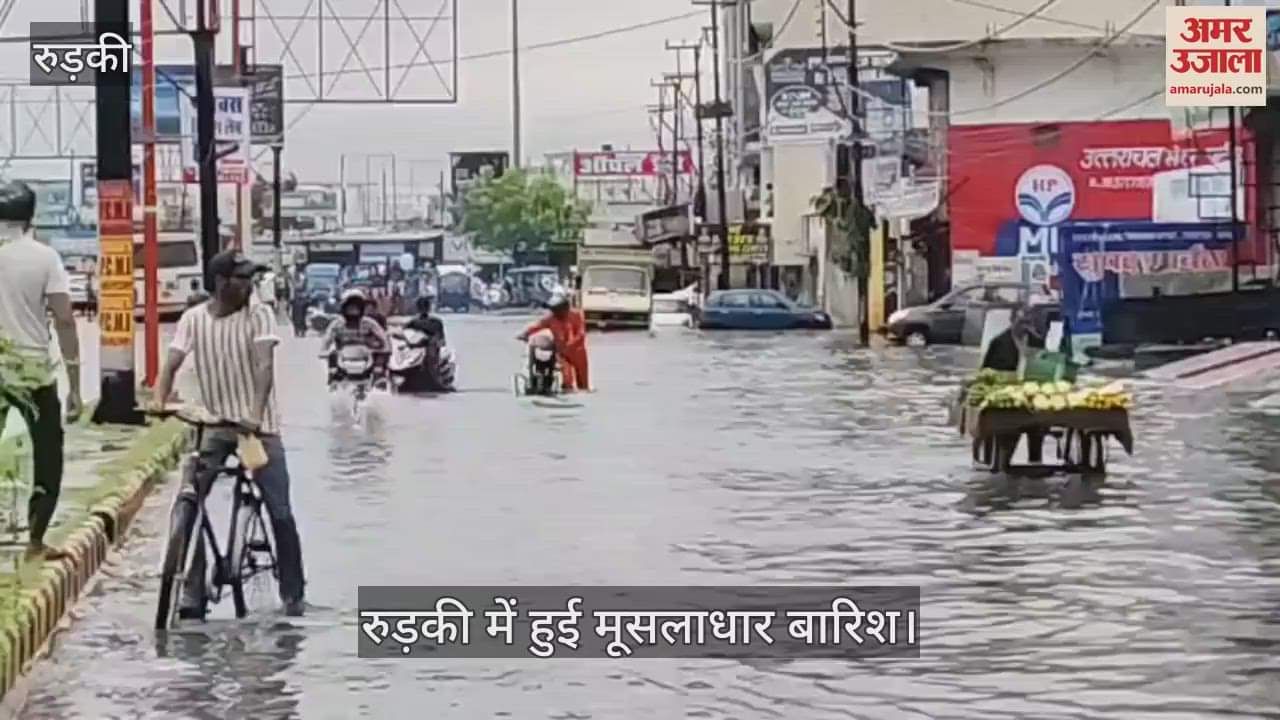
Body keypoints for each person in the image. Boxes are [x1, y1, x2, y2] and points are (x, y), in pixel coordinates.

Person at [151, 249, 306, 617]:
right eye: (243, 279)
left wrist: (253, 416)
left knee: (279, 509)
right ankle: (190, 590)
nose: (250, 284)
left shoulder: (259, 314)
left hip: (257, 430)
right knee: (188, 502)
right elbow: (171, 363)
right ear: (221, 284)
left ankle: (293, 592)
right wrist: (159, 399)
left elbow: (264, 366)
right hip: (214, 424)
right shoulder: (192, 319)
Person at [0, 181, 82, 562]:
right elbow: (65, 319)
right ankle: (35, 540)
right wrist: (76, 386)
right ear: (31, 217)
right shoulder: (44, 257)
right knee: (48, 452)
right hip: (32, 371)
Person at [980, 307, 1047, 464]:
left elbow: (1045, 366)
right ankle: (1002, 462)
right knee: (1008, 429)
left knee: (1039, 425)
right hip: (1006, 396)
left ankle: (1035, 463)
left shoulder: (1036, 341)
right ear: (1012, 322)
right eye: (1021, 322)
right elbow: (987, 371)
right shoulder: (998, 342)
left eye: (1028, 323)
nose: (1024, 327)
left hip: (1031, 396)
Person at [516, 289, 590, 392]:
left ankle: (583, 390)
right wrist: (525, 334)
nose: (555, 312)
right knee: (566, 372)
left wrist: (570, 345)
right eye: (554, 309)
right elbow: (538, 325)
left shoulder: (576, 315)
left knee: (583, 379)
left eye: (557, 309)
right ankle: (566, 388)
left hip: (577, 351)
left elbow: (581, 334)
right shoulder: (551, 318)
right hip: (561, 351)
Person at [322, 288, 389, 384]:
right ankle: (334, 382)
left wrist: (384, 349)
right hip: (344, 359)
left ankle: (378, 383)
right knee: (333, 360)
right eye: (350, 307)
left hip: (366, 358)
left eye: (356, 307)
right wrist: (324, 350)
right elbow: (327, 338)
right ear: (344, 308)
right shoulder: (337, 324)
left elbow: (383, 337)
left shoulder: (369, 323)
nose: (353, 310)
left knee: (379, 371)